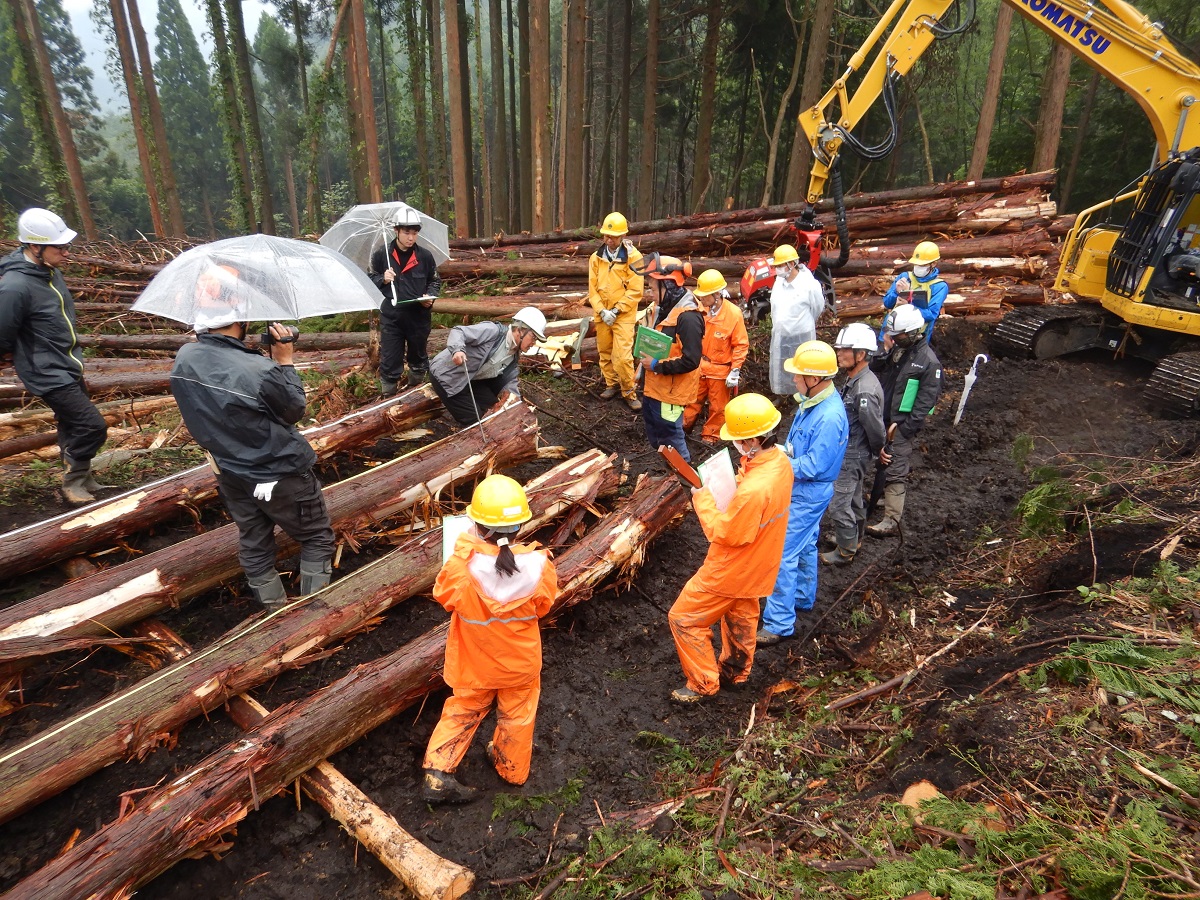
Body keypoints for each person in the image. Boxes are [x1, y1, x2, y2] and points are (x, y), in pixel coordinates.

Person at [170, 266, 335, 611]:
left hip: (230, 471)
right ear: (240, 317)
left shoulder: (185, 358)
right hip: (278, 471)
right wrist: (284, 361)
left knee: (254, 537)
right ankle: (313, 615)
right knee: (316, 536)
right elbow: (292, 409)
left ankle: (273, 610)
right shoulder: (260, 372)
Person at [422, 474, 558, 803]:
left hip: (473, 663)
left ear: (476, 524)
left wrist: (467, 545)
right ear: (521, 525)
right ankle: (511, 769)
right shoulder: (540, 566)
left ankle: (438, 777)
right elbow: (543, 606)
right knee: (518, 714)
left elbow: (443, 596)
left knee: (463, 709)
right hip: (519, 665)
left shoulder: (460, 568)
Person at [668, 393, 793, 703]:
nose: (737, 445)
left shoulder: (754, 490)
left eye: (739, 440)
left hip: (730, 568)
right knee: (742, 614)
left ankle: (702, 683)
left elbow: (722, 532)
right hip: (759, 565)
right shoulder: (779, 463)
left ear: (753, 438)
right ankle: (737, 672)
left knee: (684, 617)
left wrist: (701, 494)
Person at [0, 208, 108, 505]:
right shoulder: (15, 286)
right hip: (45, 371)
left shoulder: (50, 272)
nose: (66, 252)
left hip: (66, 362)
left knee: (70, 423)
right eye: (59, 247)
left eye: (66, 245)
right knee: (93, 426)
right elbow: (3, 330)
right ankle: (72, 481)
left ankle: (81, 476)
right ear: (34, 246)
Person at [758, 341, 848, 645]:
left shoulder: (828, 416)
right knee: (807, 544)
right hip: (805, 487)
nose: (794, 380)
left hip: (807, 491)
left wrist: (777, 461)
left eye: (799, 375)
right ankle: (801, 597)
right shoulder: (812, 402)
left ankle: (778, 623)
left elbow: (813, 465)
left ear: (815, 379)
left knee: (781, 553)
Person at [866, 304, 943, 537]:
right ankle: (882, 498)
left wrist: (906, 428)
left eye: (897, 335)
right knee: (881, 463)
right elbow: (874, 366)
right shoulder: (898, 350)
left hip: (899, 425)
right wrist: (885, 349)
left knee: (896, 468)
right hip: (883, 418)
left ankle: (891, 520)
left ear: (911, 333)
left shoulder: (929, 363)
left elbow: (926, 401)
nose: (893, 338)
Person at [821, 323, 886, 566]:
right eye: (839, 349)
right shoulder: (856, 380)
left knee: (838, 504)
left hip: (853, 454)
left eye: (845, 350)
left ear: (861, 354)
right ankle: (853, 539)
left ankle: (845, 550)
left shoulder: (864, 390)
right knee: (854, 498)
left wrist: (878, 450)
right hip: (852, 452)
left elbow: (875, 428)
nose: (839, 353)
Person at [427, 307, 547, 426]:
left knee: (493, 409)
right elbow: (459, 331)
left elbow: (510, 382)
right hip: (447, 376)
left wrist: (516, 406)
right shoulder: (492, 331)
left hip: (472, 379)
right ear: (520, 330)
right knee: (475, 421)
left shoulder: (513, 356)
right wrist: (458, 350)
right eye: (533, 337)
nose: (533, 343)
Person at [637, 255, 704, 462]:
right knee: (658, 438)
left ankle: (686, 485)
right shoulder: (664, 309)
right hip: (654, 388)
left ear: (668, 284)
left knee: (673, 440)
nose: (650, 293)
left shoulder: (688, 318)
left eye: (652, 287)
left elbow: (691, 360)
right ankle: (670, 478)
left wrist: (656, 365)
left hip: (671, 394)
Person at [369, 207, 443, 395]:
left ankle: (415, 395)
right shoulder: (381, 255)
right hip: (391, 317)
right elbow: (369, 280)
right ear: (396, 231)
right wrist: (382, 279)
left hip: (418, 316)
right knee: (390, 360)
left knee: (418, 359)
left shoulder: (424, 256)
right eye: (406, 232)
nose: (411, 237)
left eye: (415, 233)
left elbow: (434, 280)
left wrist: (430, 298)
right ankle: (388, 399)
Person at [683, 270, 750, 444]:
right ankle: (682, 429)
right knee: (691, 401)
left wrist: (735, 370)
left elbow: (741, 344)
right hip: (699, 366)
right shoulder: (699, 310)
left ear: (716, 294)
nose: (702, 299)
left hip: (720, 370)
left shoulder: (733, 314)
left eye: (705, 296)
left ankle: (710, 436)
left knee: (718, 407)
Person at [588, 211, 644, 411]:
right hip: (602, 314)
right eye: (606, 235)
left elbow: (636, 290)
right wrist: (602, 311)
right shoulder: (596, 258)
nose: (608, 239)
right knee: (605, 351)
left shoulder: (635, 258)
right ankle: (611, 384)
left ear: (622, 236)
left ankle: (629, 391)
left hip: (624, 315)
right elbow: (592, 289)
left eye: (612, 236)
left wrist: (616, 311)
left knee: (622, 356)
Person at [767, 244, 826, 396]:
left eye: (780, 265)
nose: (777, 269)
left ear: (791, 264)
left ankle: (801, 396)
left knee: (801, 368)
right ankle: (782, 394)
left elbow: (817, 307)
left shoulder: (809, 285)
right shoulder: (779, 282)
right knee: (781, 366)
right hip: (781, 334)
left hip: (801, 336)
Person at [881, 240, 947, 343]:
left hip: (915, 339)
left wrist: (909, 304)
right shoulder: (904, 277)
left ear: (933, 263)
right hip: (889, 334)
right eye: (916, 264)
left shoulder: (939, 286)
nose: (918, 267)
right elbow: (887, 303)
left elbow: (931, 315)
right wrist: (896, 293)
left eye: (922, 265)